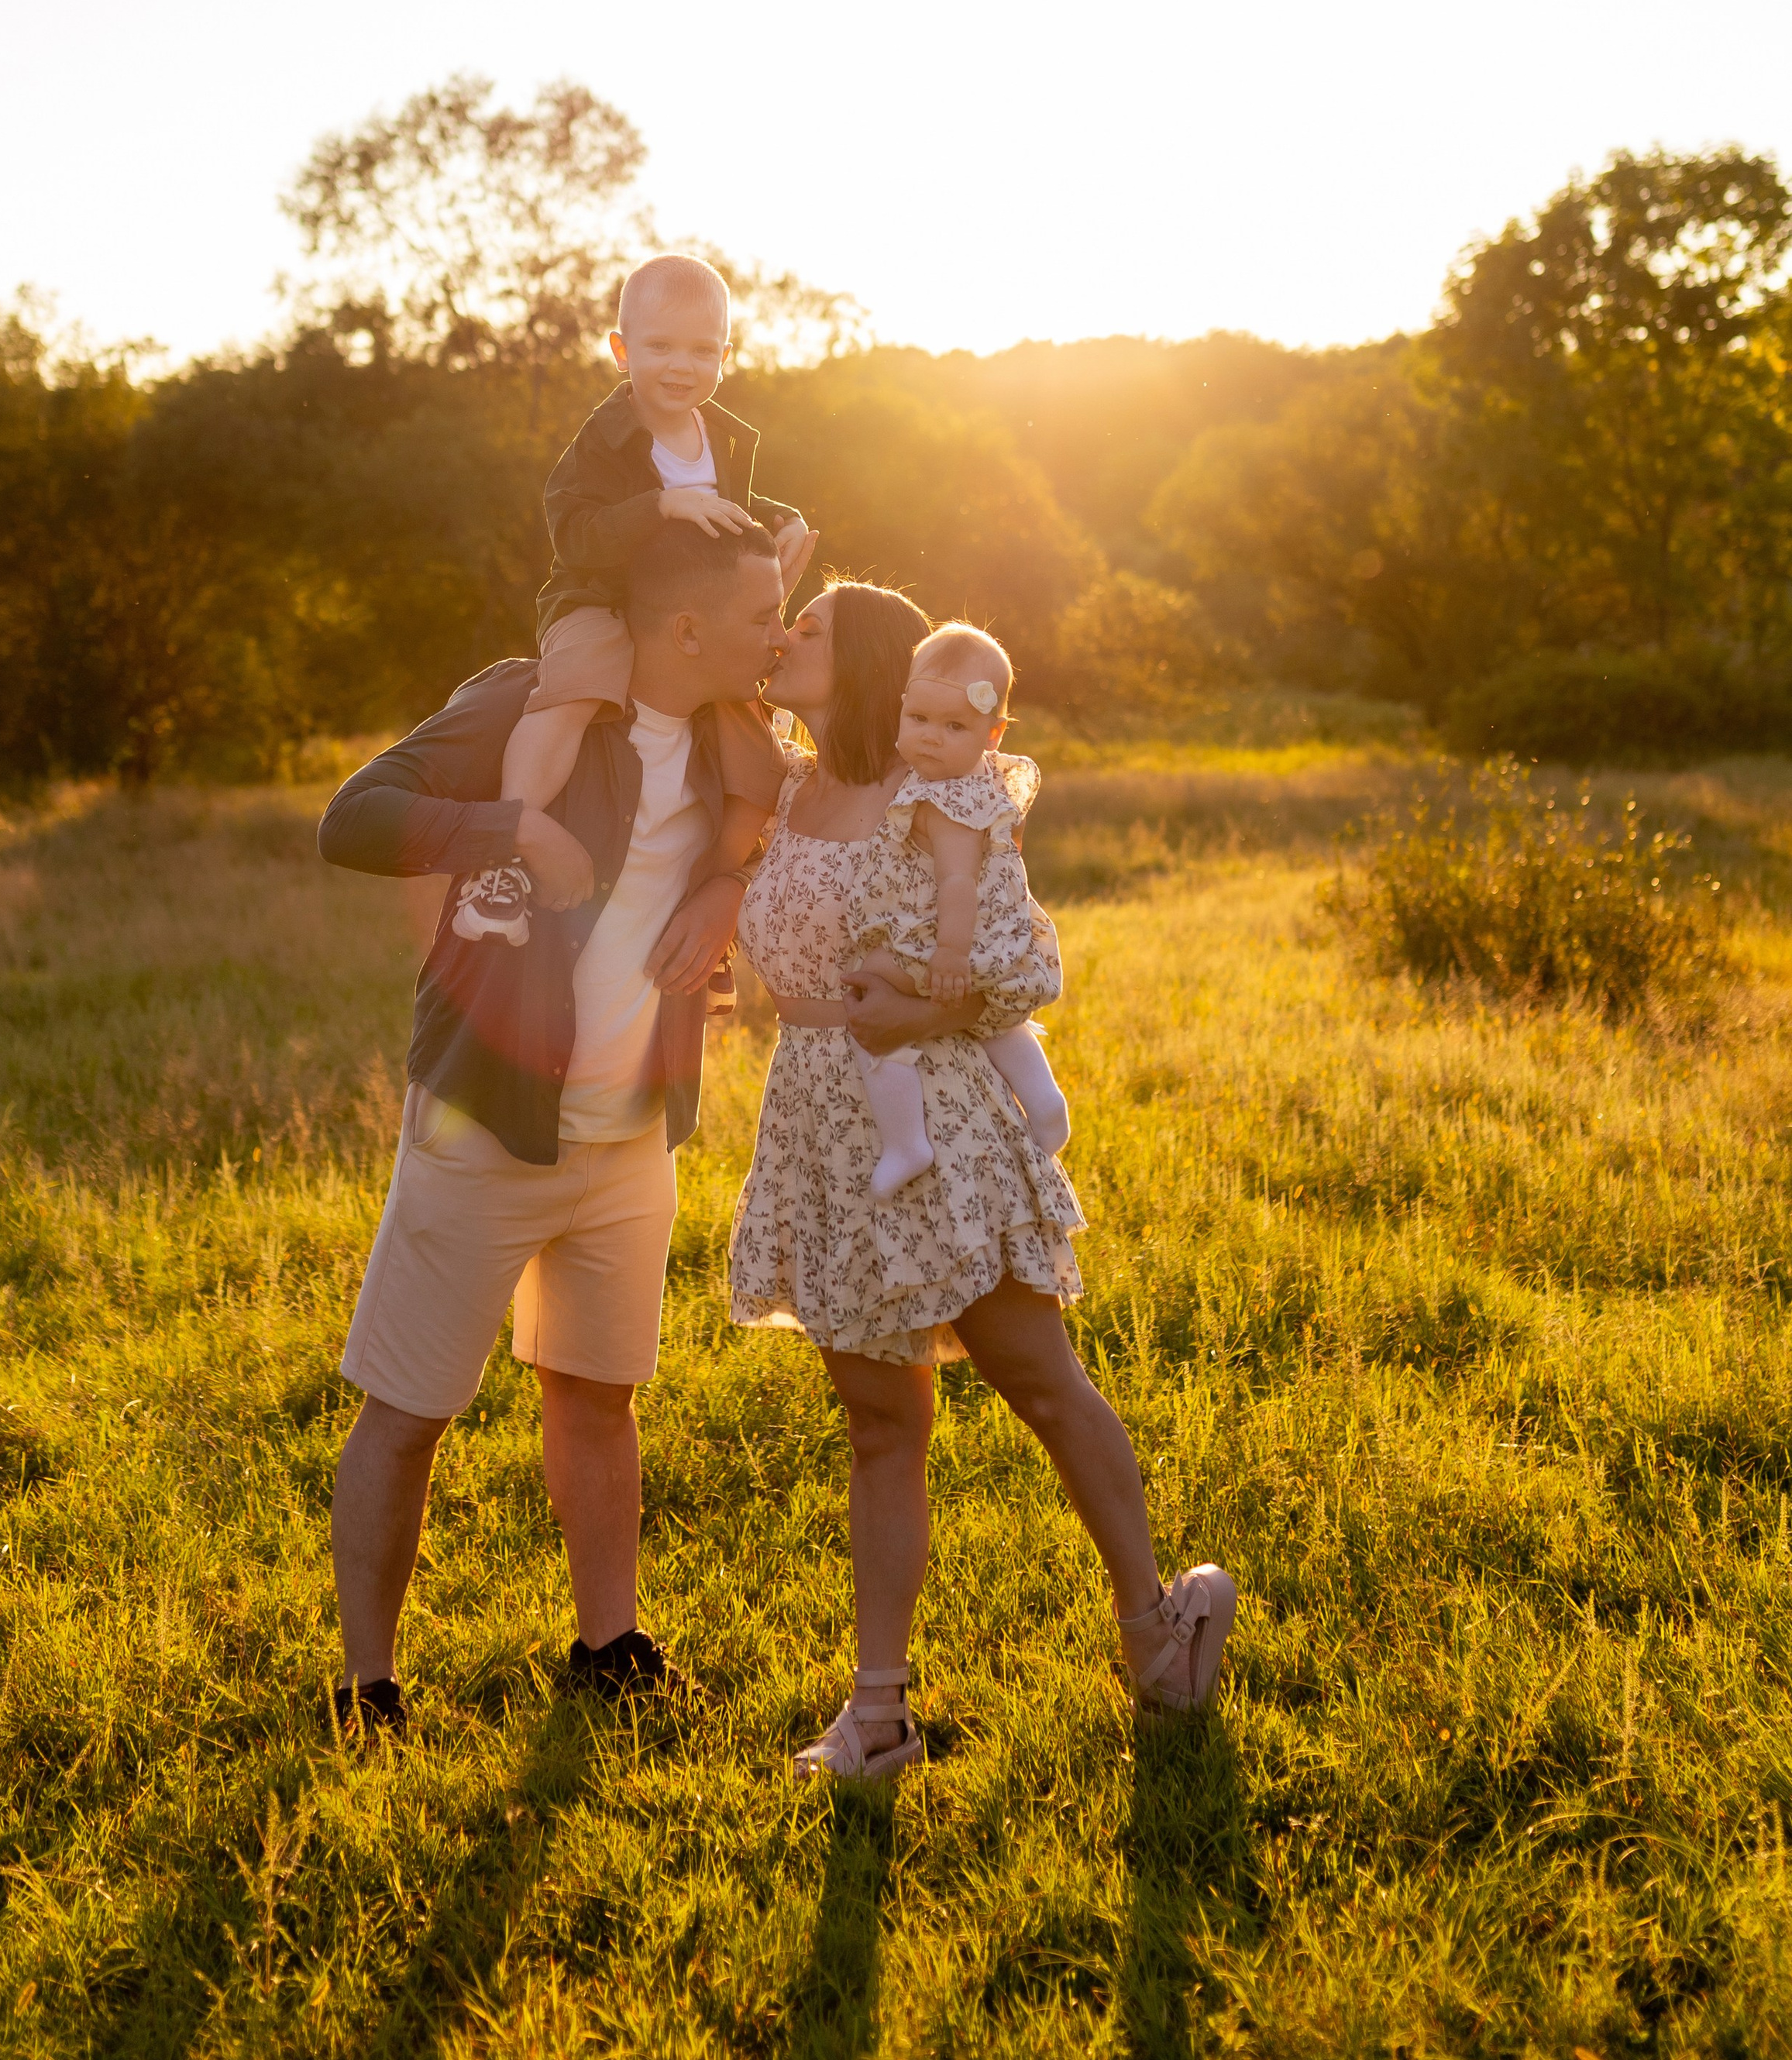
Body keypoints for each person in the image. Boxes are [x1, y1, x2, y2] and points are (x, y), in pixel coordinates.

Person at [727, 580, 1237, 1778]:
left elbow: (1018, 966)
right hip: (816, 1119)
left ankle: (1160, 1633)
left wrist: (912, 1007)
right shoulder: (788, 785)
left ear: (857, 659)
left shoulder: (940, 795)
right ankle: (880, 1715)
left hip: (935, 1122)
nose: (781, 642)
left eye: (804, 631)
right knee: (878, 1423)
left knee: (1036, 1377)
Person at [317, 517, 790, 1737]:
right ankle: (368, 1690)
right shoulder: (529, 699)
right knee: (412, 1407)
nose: (779, 634)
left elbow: (776, 834)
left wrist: (729, 891)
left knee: (598, 1392)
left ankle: (609, 1649)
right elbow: (355, 818)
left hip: (630, 1135)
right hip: (486, 1121)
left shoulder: (734, 739)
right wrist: (510, 829)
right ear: (685, 629)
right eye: (759, 616)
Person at [452, 253, 815, 948]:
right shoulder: (605, 439)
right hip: (602, 600)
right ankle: (501, 860)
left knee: (754, 747)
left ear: (725, 356)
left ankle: (712, 901)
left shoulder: (725, 438)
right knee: (574, 692)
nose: (682, 366)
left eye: (702, 350)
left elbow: (725, 507)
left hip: (687, 613)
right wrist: (658, 507)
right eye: (660, 347)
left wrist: (779, 517)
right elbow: (574, 532)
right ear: (622, 351)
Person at [844, 617, 1072, 1198]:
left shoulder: (941, 798)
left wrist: (948, 954)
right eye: (917, 719)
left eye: (953, 726)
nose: (930, 737)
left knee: (869, 983)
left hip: (949, 937)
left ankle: (905, 1140)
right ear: (900, 708)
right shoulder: (981, 781)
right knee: (997, 1018)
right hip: (992, 938)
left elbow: (956, 883)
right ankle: (1044, 1103)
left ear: (992, 734)